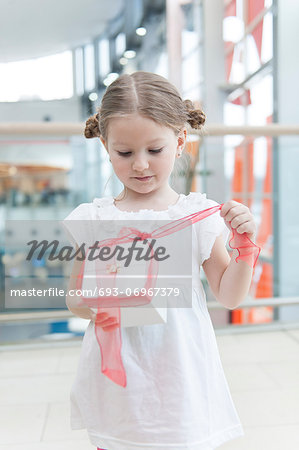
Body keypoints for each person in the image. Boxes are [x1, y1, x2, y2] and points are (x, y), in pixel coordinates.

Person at [63, 71, 257, 450]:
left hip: (180, 375)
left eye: (155, 150)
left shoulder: (195, 215)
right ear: (105, 145)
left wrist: (245, 248)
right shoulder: (97, 217)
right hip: (119, 386)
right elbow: (75, 299)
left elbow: (230, 296)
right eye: (124, 152)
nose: (140, 165)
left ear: (180, 141)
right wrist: (110, 295)